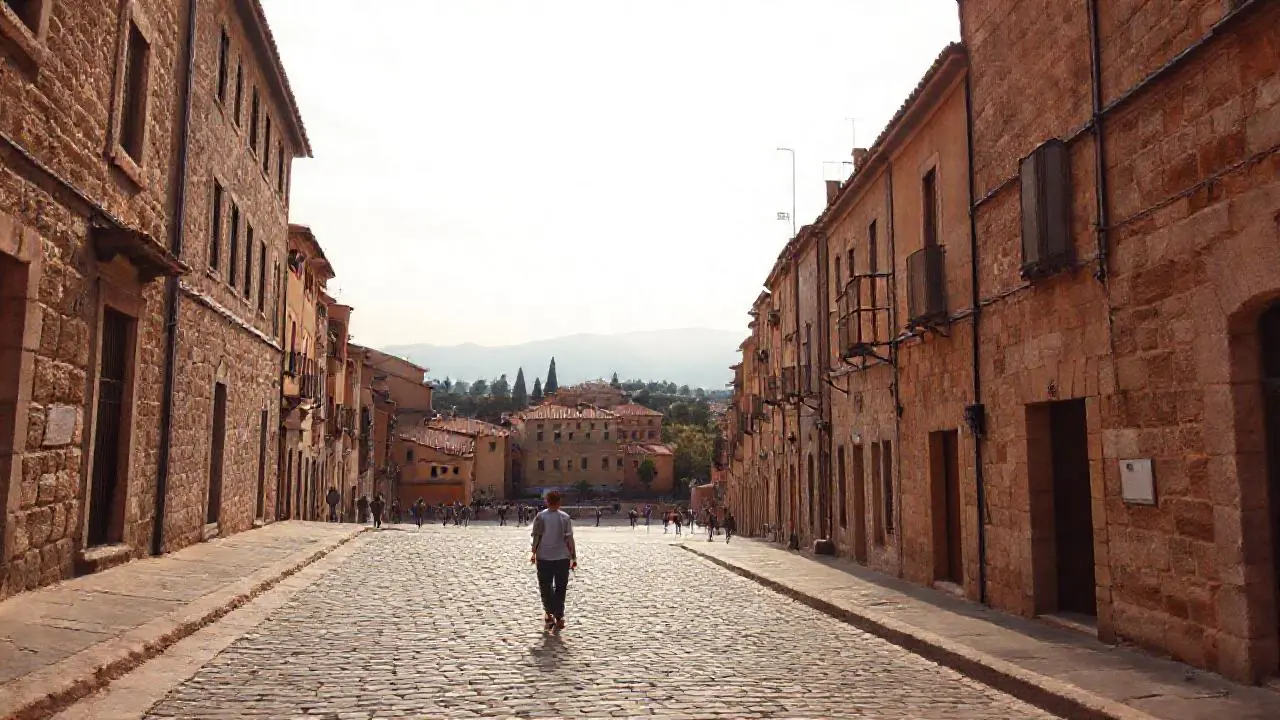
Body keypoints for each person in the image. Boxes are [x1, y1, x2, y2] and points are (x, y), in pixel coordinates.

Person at [530, 491, 576, 631]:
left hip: (544, 556)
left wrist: (533, 553)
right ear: (559, 502)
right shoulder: (565, 517)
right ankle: (559, 616)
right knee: (561, 588)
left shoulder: (540, 516)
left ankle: (549, 615)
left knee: (546, 587)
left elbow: (537, 537)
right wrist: (573, 557)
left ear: (547, 501)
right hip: (562, 556)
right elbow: (569, 539)